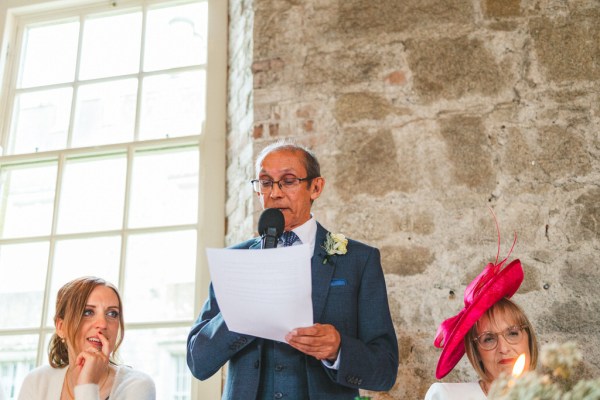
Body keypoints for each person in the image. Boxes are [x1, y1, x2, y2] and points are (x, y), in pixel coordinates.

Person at [187, 140, 399, 399]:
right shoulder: (235, 262)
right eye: (265, 182)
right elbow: (198, 362)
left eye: (288, 181)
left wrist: (338, 349)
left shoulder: (358, 260)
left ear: (316, 187)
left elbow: (385, 370)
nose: (274, 193)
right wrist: (241, 308)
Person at [18, 276, 155, 400]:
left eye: (112, 313)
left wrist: (87, 384)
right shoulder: (36, 382)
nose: (102, 324)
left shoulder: (137, 386)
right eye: (88, 312)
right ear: (61, 327)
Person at [425, 257, 539, 400]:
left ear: (528, 339)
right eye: (489, 339)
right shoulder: (447, 396)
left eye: (512, 333)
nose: (503, 348)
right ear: (476, 351)